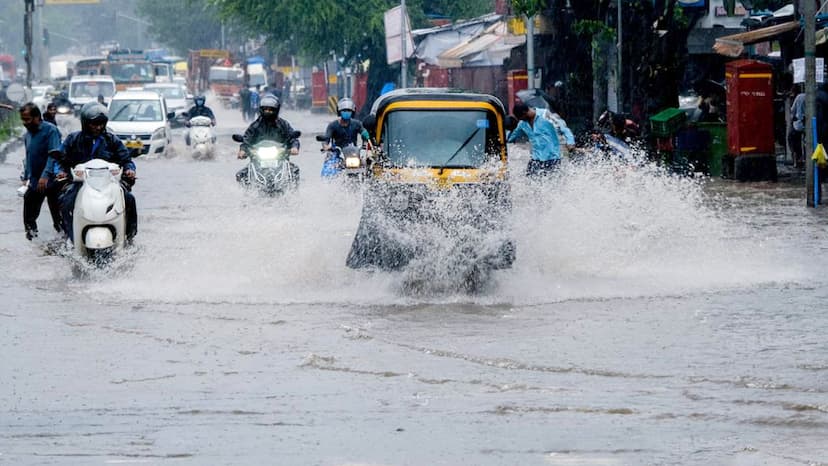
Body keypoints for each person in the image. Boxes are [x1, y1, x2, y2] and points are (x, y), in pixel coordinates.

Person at [55, 102, 137, 243]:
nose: (97, 127)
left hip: (109, 183)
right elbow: (60, 161)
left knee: (129, 199)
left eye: (100, 124)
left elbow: (126, 160)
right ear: (85, 123)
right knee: (65, 202)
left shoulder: (112, 140)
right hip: (80, 183)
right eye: (94, 124)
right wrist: (61, 172)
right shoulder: (73, 139)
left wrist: (130, 170)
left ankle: (129, 237)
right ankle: (69, 236)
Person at [19, 103, 63, 240]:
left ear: (37, 117)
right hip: (35, 180)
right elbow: (28, 156)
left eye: (28, 119)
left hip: (52, 180)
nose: (25, 123)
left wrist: (45, 176)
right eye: (23, 119)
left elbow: (53, 155)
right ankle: (34, 245)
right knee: (29, 217)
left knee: (59, 217)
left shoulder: (51, 131)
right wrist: (26, 176)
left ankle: (64, 244)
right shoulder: (28, 135)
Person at [236, 94, 300, 183]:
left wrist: (294, 147)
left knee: (295, 170)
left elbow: (292, 138)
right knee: (241, 175)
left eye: (270, 110)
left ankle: (293, 194)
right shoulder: (255, 126)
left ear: (276, 110)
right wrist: (242, 151)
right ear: (261, 110)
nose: (268, 112)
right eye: (265, 109)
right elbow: (246, 140)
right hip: (258, 159)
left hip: (280, 157)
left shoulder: (283, 124)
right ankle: (247, 194)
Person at [507, 102, 570, 177]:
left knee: (551, 183)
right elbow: (512, 137)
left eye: (521, 118)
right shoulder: (522, 123)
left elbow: (563, 128)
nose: (521, 120)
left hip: (552, 158)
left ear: (524, 113)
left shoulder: (545, 115)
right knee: (529, 181)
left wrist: (570, 142)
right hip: (536, 159)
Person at [790, 85, 805, 169]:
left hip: (798, 125)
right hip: (807, 125)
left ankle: (797, 160)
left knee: (794, 141)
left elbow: (792, 110)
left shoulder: (799, 97)